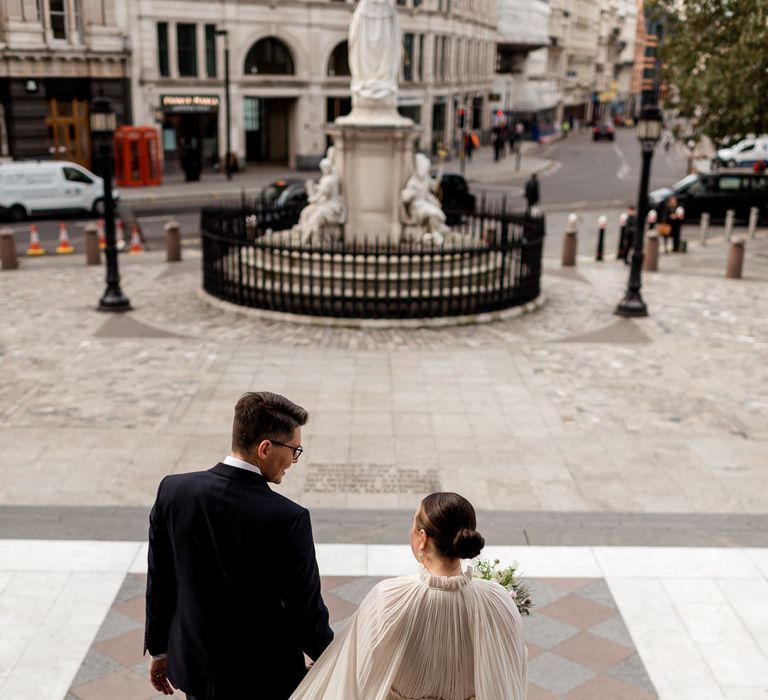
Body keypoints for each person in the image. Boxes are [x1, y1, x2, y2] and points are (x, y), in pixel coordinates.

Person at [145, 392, 333, 700]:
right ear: (265, 448)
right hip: (265, 677)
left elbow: (161, 578)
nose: (294, 461)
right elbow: (306, 611)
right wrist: (330, 659)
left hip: (197, 667)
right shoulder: (289, 518)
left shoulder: (174, 491)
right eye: (295, 450)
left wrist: (159, 649)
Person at [290, 492, 528, 699]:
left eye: (413, 524)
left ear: (422, 538)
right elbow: (512, 668)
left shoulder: (391, 599)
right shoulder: (497, 599)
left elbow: (357, 672)